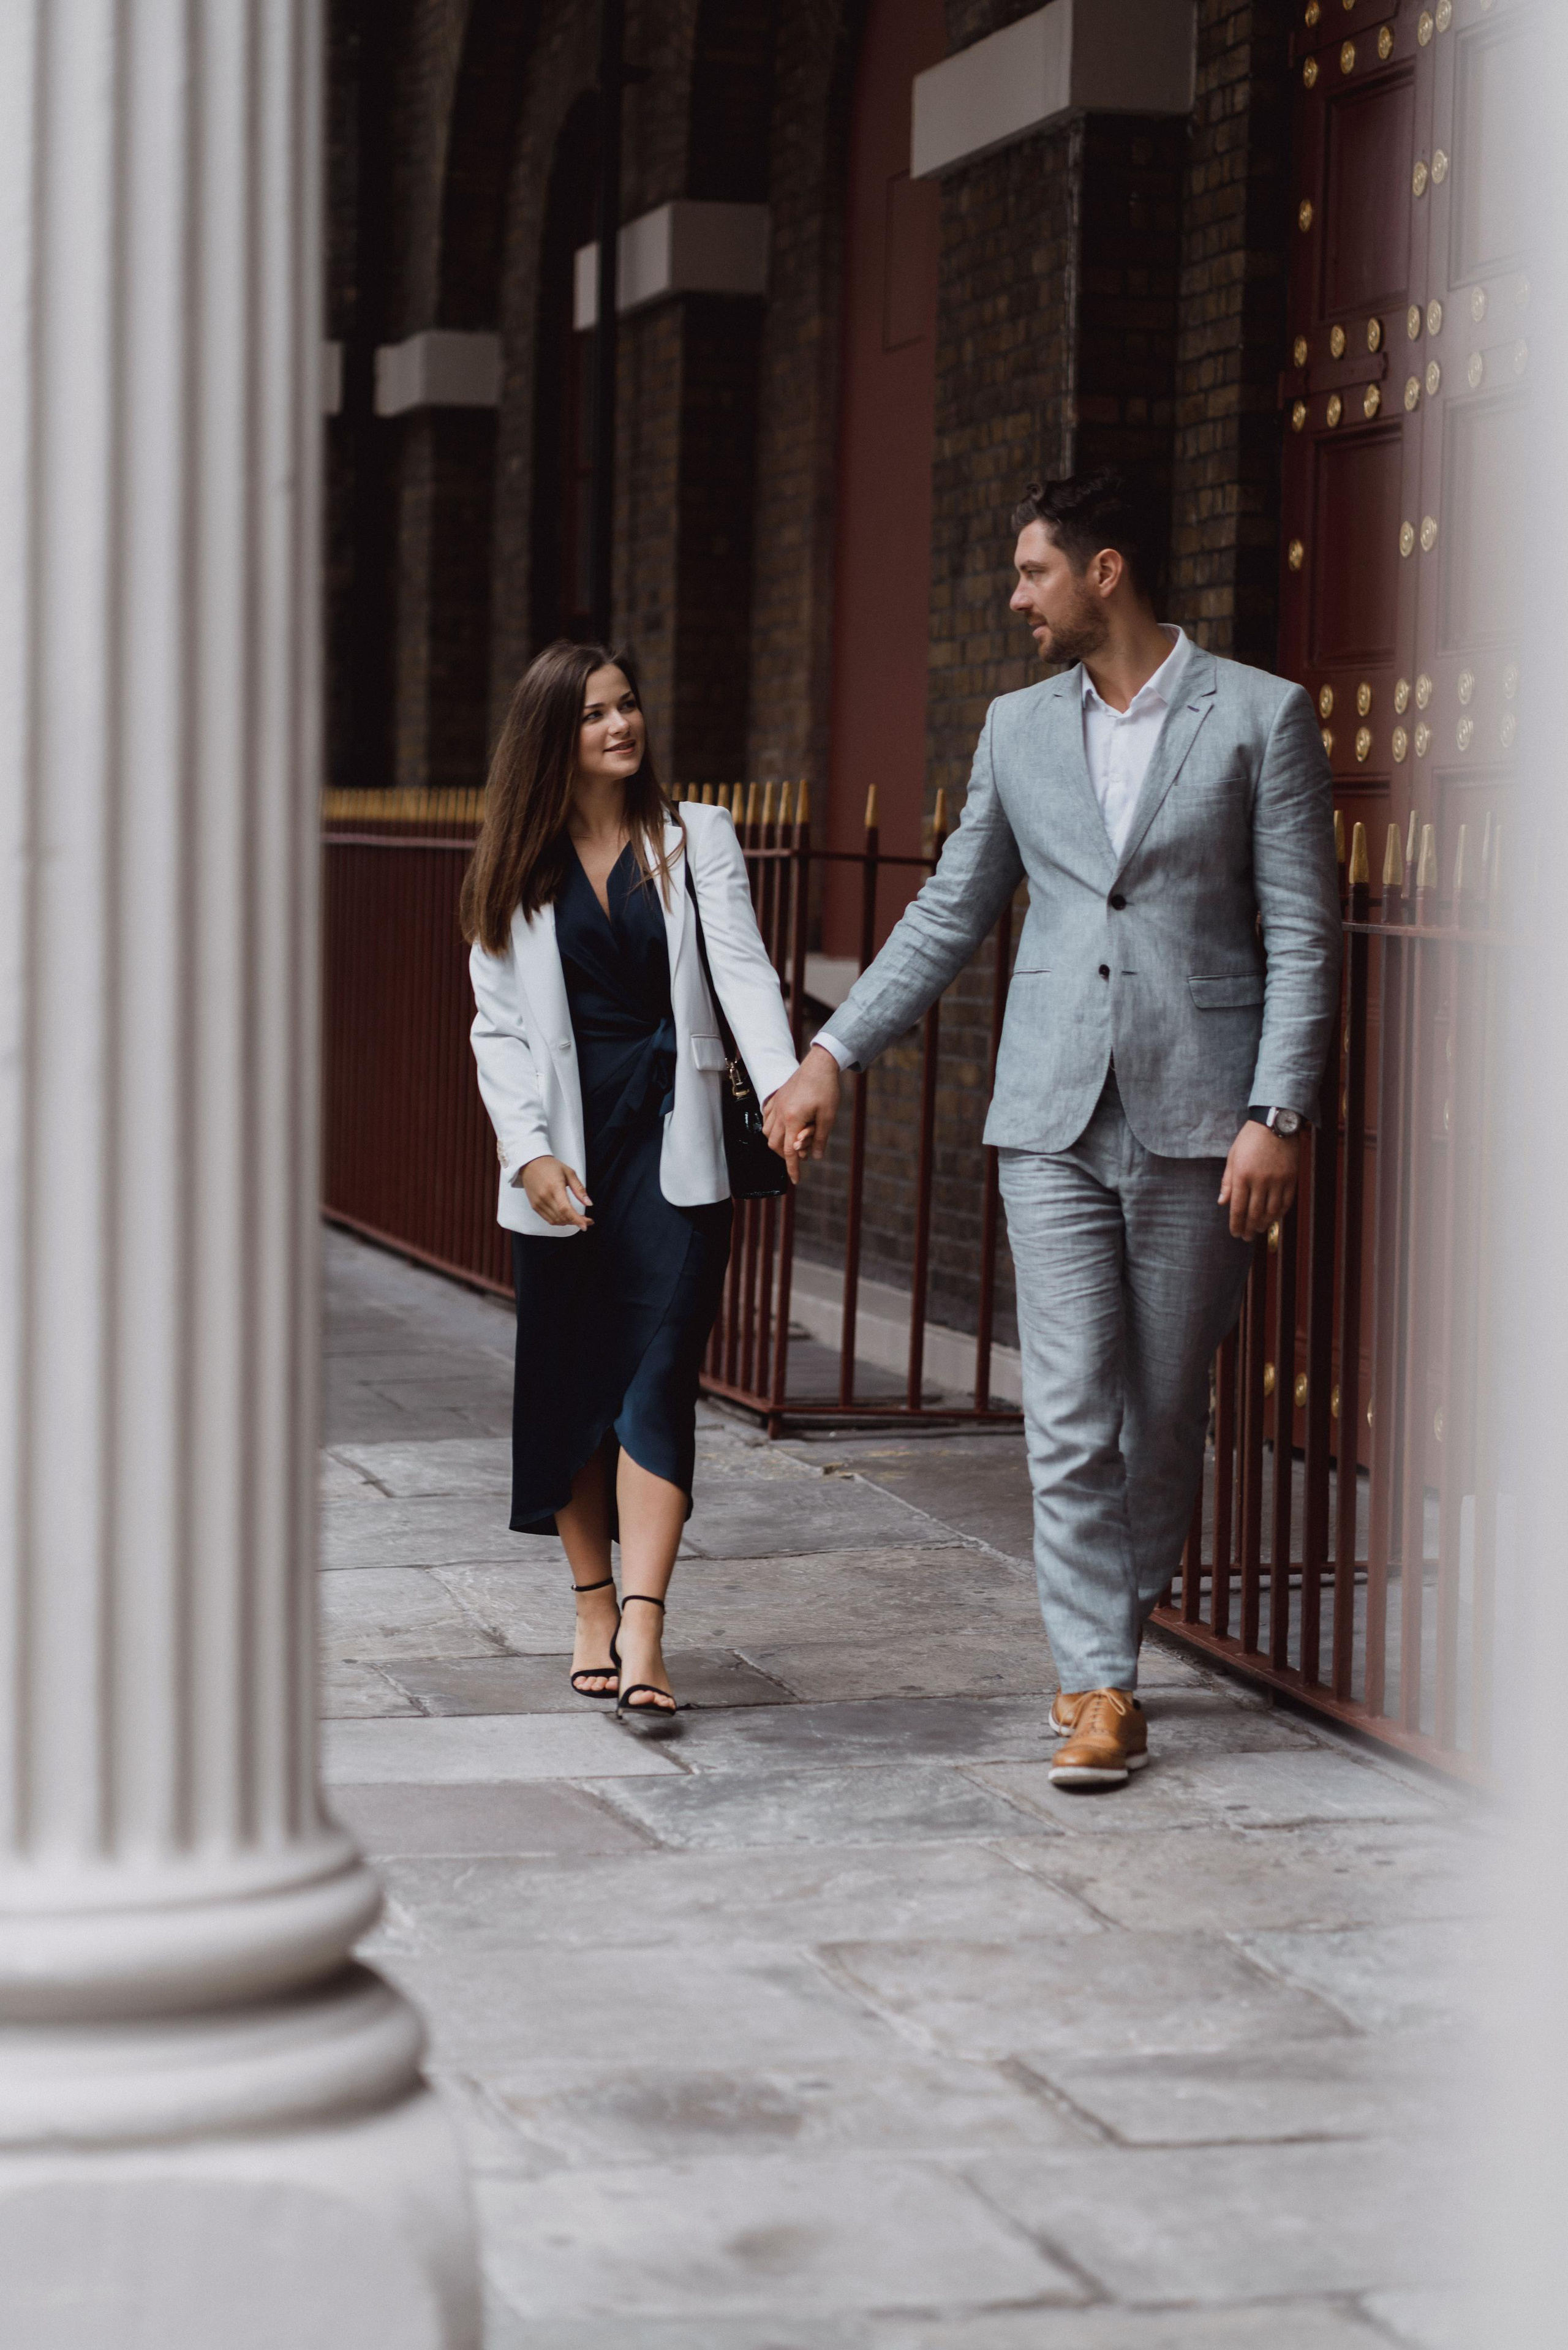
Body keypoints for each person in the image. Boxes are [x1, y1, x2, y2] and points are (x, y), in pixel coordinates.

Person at [764, 469, 1341, 1788]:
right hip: (1048, 1116)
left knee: (1161, 1406)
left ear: (1104, 572)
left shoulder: (1260, 717)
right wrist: (831, 1050)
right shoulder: (1016, 729)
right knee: (1071, 1404)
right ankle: (1098, 1679)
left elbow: (1303, 936)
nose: (1014, 597)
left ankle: (1108, 1637)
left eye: (1032, 573)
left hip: (1204, 1116)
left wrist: (1277, 1110)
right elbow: (947, 910)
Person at [463, 641, 798, 1722]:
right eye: (595, 713)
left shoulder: (694, 837)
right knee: (571, 1387)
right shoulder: (515, 870)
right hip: (570, 1153)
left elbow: (743, 969)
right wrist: (529, 1152)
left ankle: (647, 1624)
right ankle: (591, 1605)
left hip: (675, 1137)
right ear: (553, 738)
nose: (622, 725)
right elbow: (499, 1030)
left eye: (629, 704)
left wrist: (790, 1087)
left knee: (658, 1376)